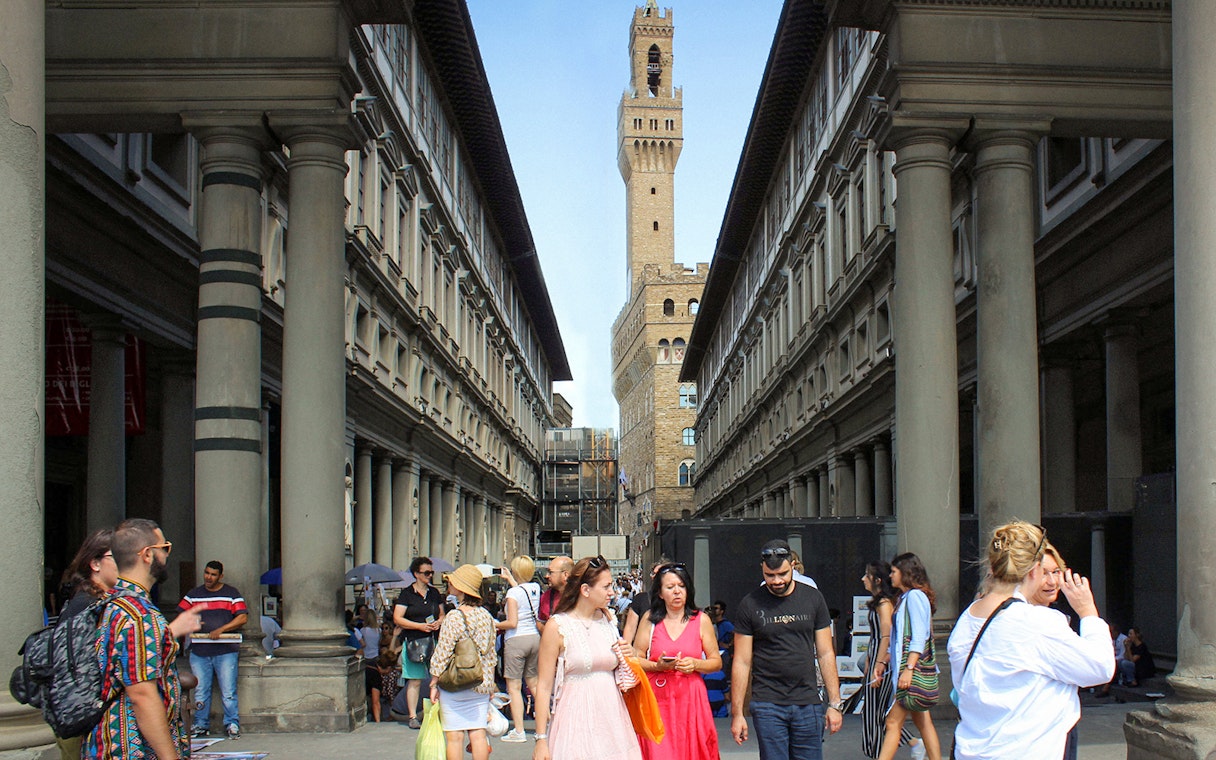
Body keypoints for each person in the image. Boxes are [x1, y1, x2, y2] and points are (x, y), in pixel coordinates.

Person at [948, 521, 1114, 760]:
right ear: (1034, 570)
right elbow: (1101, 667)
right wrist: (1088, 612)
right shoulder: (1036, 622)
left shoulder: (968, 618)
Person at [83, 518, 202, 760]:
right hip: (131, 748)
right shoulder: (139, 615)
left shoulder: (113, 603)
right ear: (147, 555)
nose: (167, 555)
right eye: (164, 548)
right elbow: (142, 695)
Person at [731, 539, 843, 760]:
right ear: (762, 570)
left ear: (793, 565)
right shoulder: (750, 604)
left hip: (808, 701)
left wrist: (835, 703)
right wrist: (737, 714)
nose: (776, 581)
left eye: (782, 574)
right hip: (767, 703)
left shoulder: (813, 598)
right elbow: (742, 661)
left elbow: (825, 652)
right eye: (769, 576)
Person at [532, 556, 642, 760]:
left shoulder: (609, 620)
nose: (612, 592)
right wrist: (540, 739)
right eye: (606, 586)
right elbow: (544, 685)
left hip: (612, 717)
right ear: (585, 590)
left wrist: (628, 653)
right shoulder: (557, 626)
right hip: (574, 718)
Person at [633, 563, 721, 760]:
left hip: (691, 697)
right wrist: (657, 666)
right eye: (670, 587)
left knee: (693, 749)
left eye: (681, 586)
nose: (677, 592)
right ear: (660, 593)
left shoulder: (701, 619)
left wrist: (695, 664)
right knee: (659, 751)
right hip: (658, 697)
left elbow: (716, 661)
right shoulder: (650, 619)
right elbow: (635, 657)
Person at [52, 530, 119, 760]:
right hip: (80, 718)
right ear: (95, 564)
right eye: (117, 556)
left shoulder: (99, 602)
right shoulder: (86, 606)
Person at [876, 553, 941, 760]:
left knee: (892, 723)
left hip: (910, 672)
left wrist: (909, 669)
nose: (891, 576)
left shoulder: (914, 596)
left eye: (894, 572)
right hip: (909, 671)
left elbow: (919, 635)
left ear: (905, 573)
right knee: (923, 722)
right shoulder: (909, 597)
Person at [429, 564, 497, 760]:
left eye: (453, 581)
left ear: (461, 587)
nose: (450, 583)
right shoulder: (487, 616)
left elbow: (443, 652)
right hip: (481, 681)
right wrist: (490, 684)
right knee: (478, 734)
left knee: (455, 737)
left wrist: (434, 682)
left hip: (456, 682)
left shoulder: (455, 617)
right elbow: (490, 654)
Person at [179, 560, 248, 740]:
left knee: (228, 690)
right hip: (200, 650)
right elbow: (181, 613)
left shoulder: (231, 593)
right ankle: (201, 725)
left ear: (220, 576)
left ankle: (232, 724)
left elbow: (242, 617)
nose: (209, 577)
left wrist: (221, 629)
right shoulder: (194, 594)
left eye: (213, 574)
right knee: (201, 689)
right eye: (207, 573)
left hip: (226, 649)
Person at [858, 562, 918, 760]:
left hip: (881, 658)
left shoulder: (884, 603)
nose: (863, 579)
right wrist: (870, 657)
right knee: (879, 708)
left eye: (867, 576)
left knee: (876, 709)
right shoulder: (880, 602)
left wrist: (878, 663)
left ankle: (877, 752)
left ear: (877, 580)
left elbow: (885, 635)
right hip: (877, 655)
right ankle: (911, 743)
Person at [495, 555, 543, 742]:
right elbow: (521, 593)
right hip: (534, 637)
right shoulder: (535, 588)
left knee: (514, 686)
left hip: (516, 640)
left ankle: (519, 731)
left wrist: (495, 624)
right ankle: (544, 726)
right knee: (534, 683)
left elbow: (512, 622)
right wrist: (511, 580)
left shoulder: (512, 594)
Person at [394, 556, 445, 728]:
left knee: (438, 677)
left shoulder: (434, 593)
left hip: (432, 640)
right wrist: (419, 626)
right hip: (413, 641)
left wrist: (439, 621)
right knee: (414, 680)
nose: (430, 576)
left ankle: (441, 711)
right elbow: (398, 618)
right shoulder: (407, 594)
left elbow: (442, 614)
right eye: (426, 573)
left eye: (431, 572)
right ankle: (412, 716)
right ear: (416, 574)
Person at [624, 561, 665, 646]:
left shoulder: (676, 601)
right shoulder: (641, 599)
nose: (656, 577)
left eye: (661, 573)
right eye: (654, 574)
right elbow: (630, 628)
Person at [537, 556, 573, 628]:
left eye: (550, 572)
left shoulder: (581, 596)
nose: (547, 576)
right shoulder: (546, 597)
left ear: (565, 575)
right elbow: (540, 622)